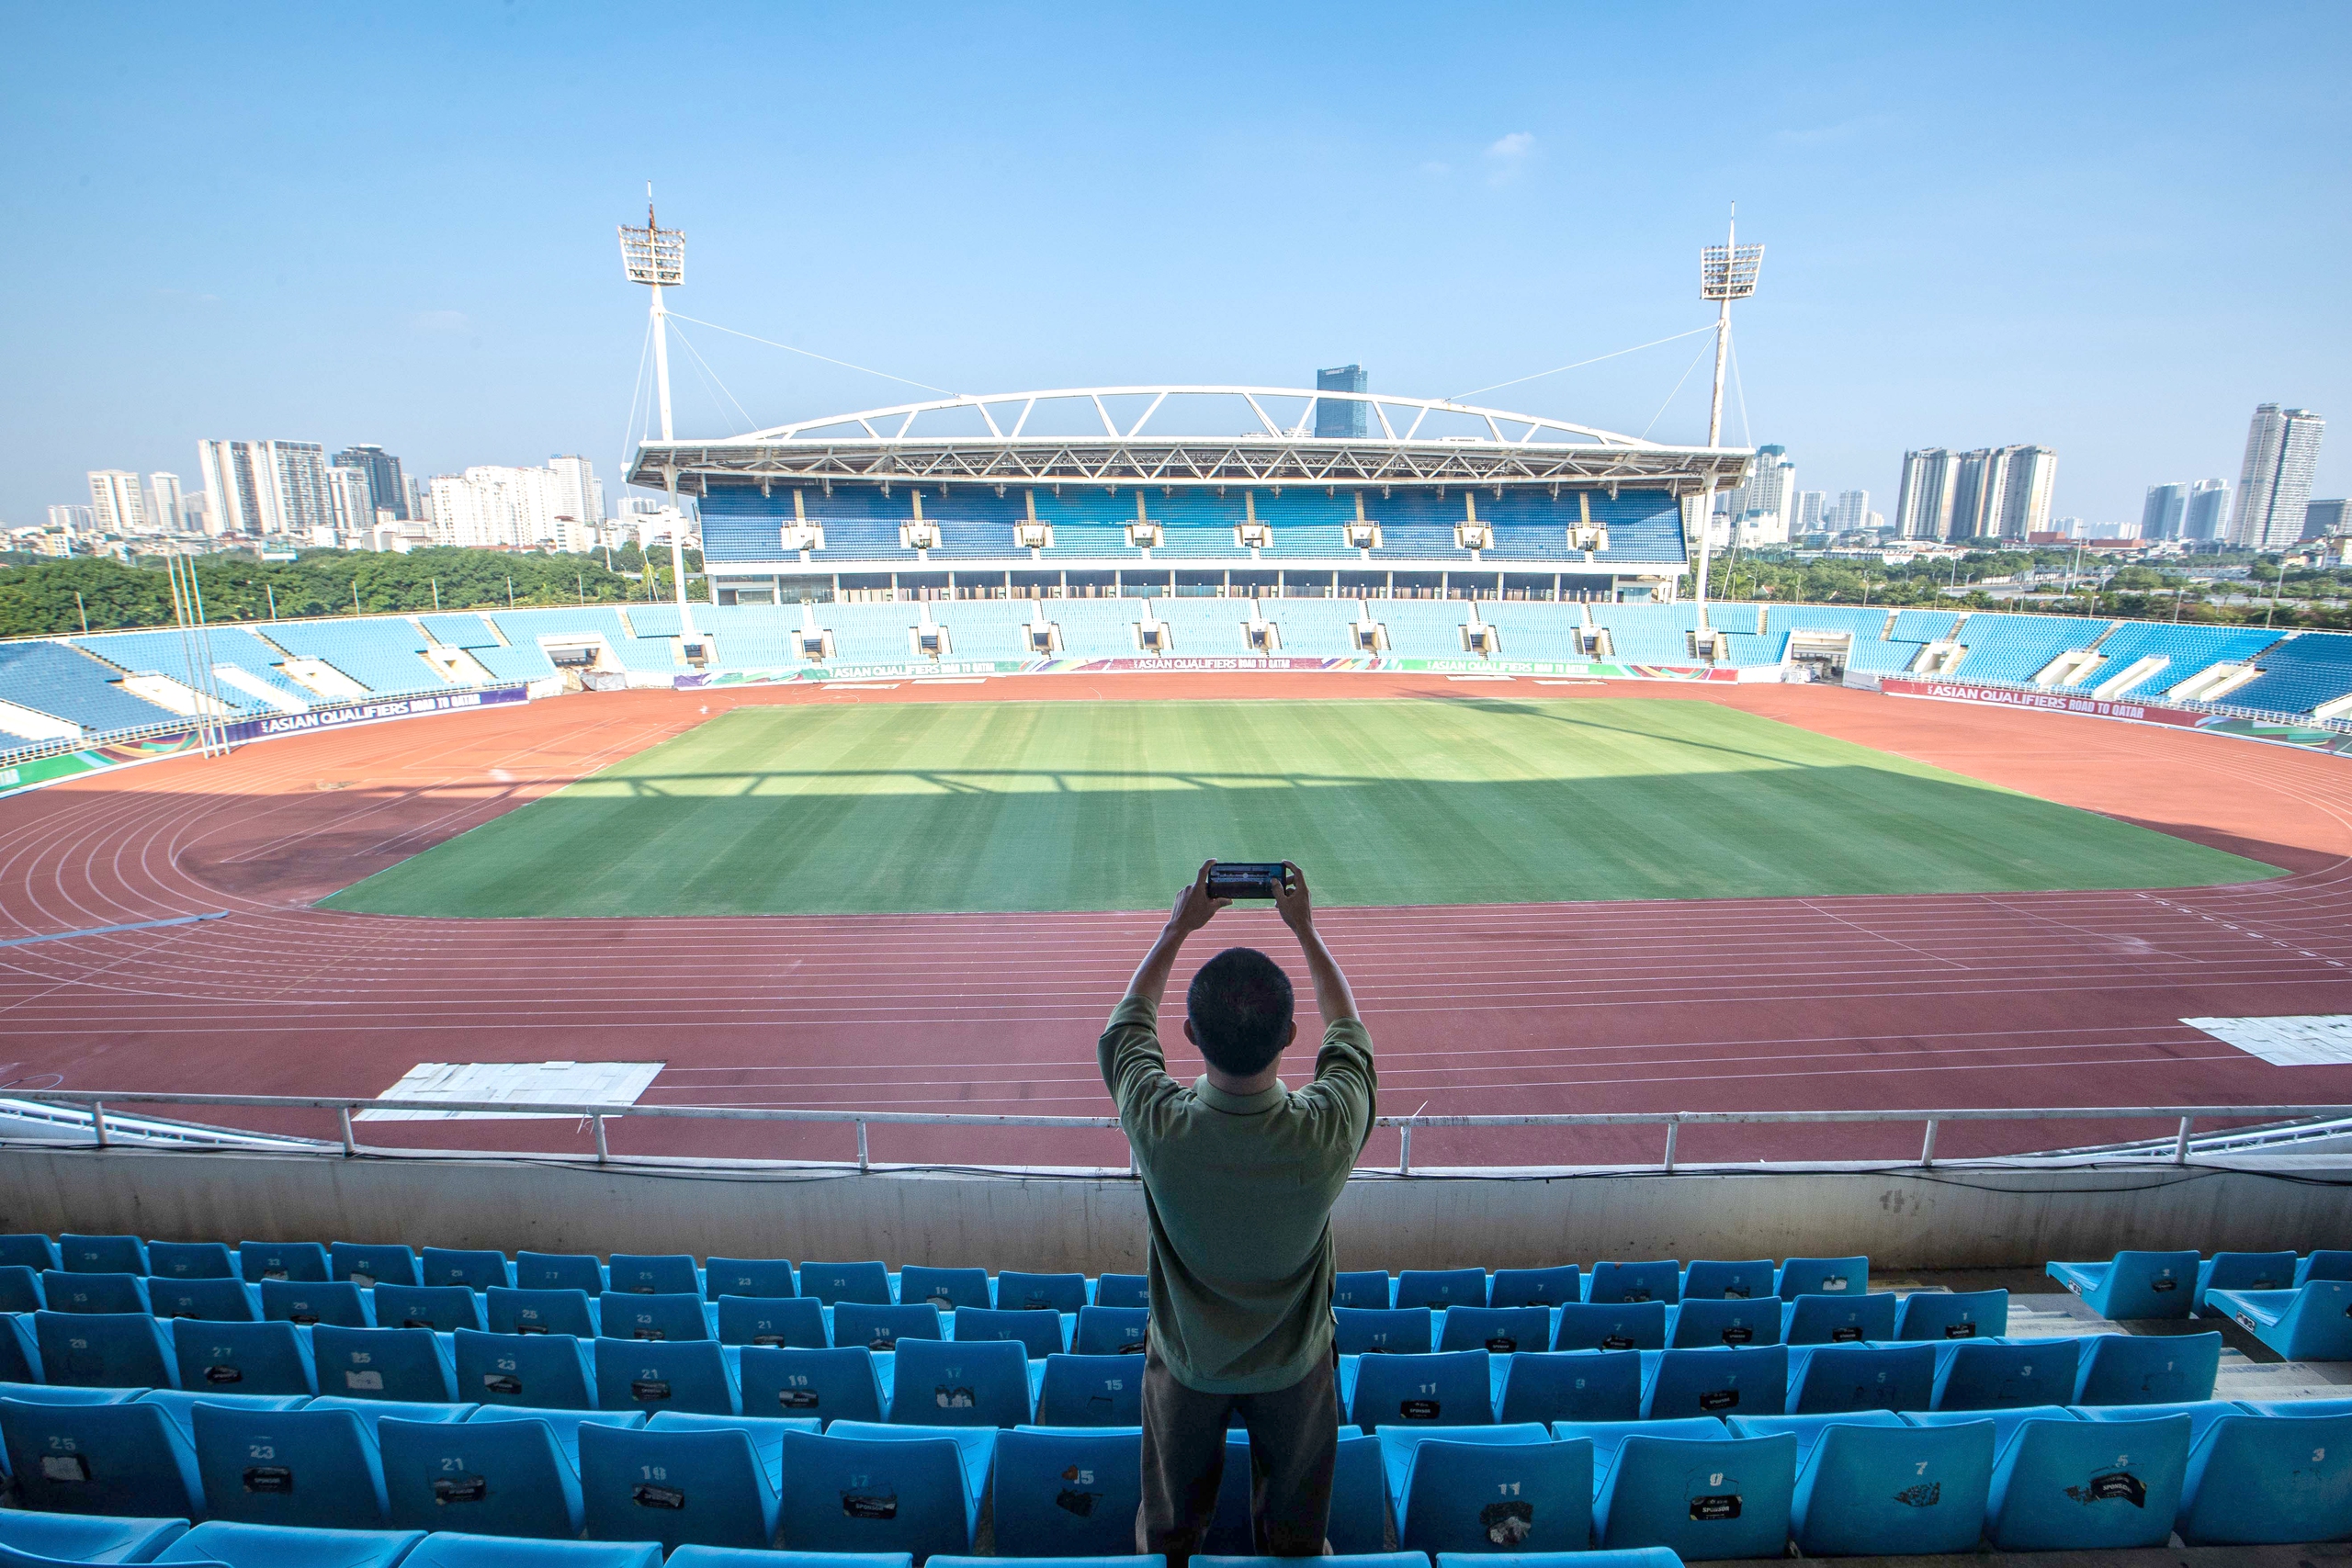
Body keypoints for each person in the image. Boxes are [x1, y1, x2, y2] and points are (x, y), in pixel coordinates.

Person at [1098, 859, 1376, 1561]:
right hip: (1297, 1368)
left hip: (1188, 1362)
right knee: (1296, 1532)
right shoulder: (1325, 1132)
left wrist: (1177, 926)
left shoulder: (1161, 1129)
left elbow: (1127, 1030)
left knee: (1168, 1530)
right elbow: (1349, 1036)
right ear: (1289, 1039)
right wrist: (1305, 930)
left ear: (1190, 1035)